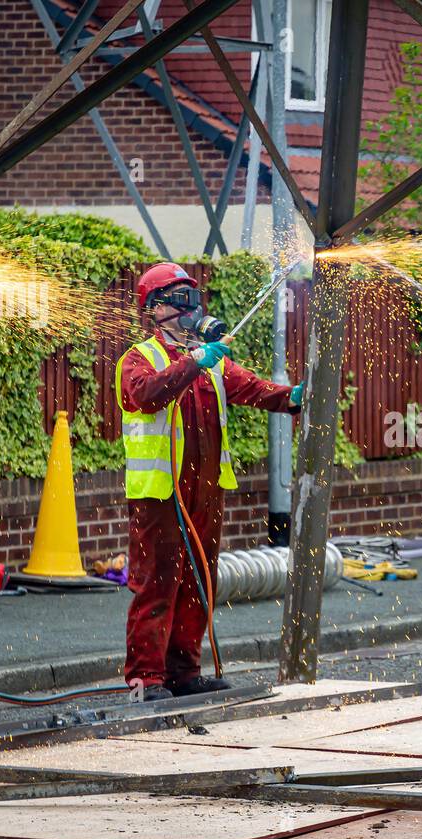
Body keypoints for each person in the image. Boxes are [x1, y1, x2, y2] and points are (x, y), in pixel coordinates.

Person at [117, 262, 303, 700]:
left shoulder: (212, 361)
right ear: (154, 309)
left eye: (192, 299)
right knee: (157, 583)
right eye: (178, 301)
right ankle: (146, 677)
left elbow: (252, 388)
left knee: (198, 581)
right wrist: (194, 362)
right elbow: (146, 395)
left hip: (205, 492)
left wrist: (290, 398)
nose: (189, 309)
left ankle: (185, 671)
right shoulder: (139, 359)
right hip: (160, 495)